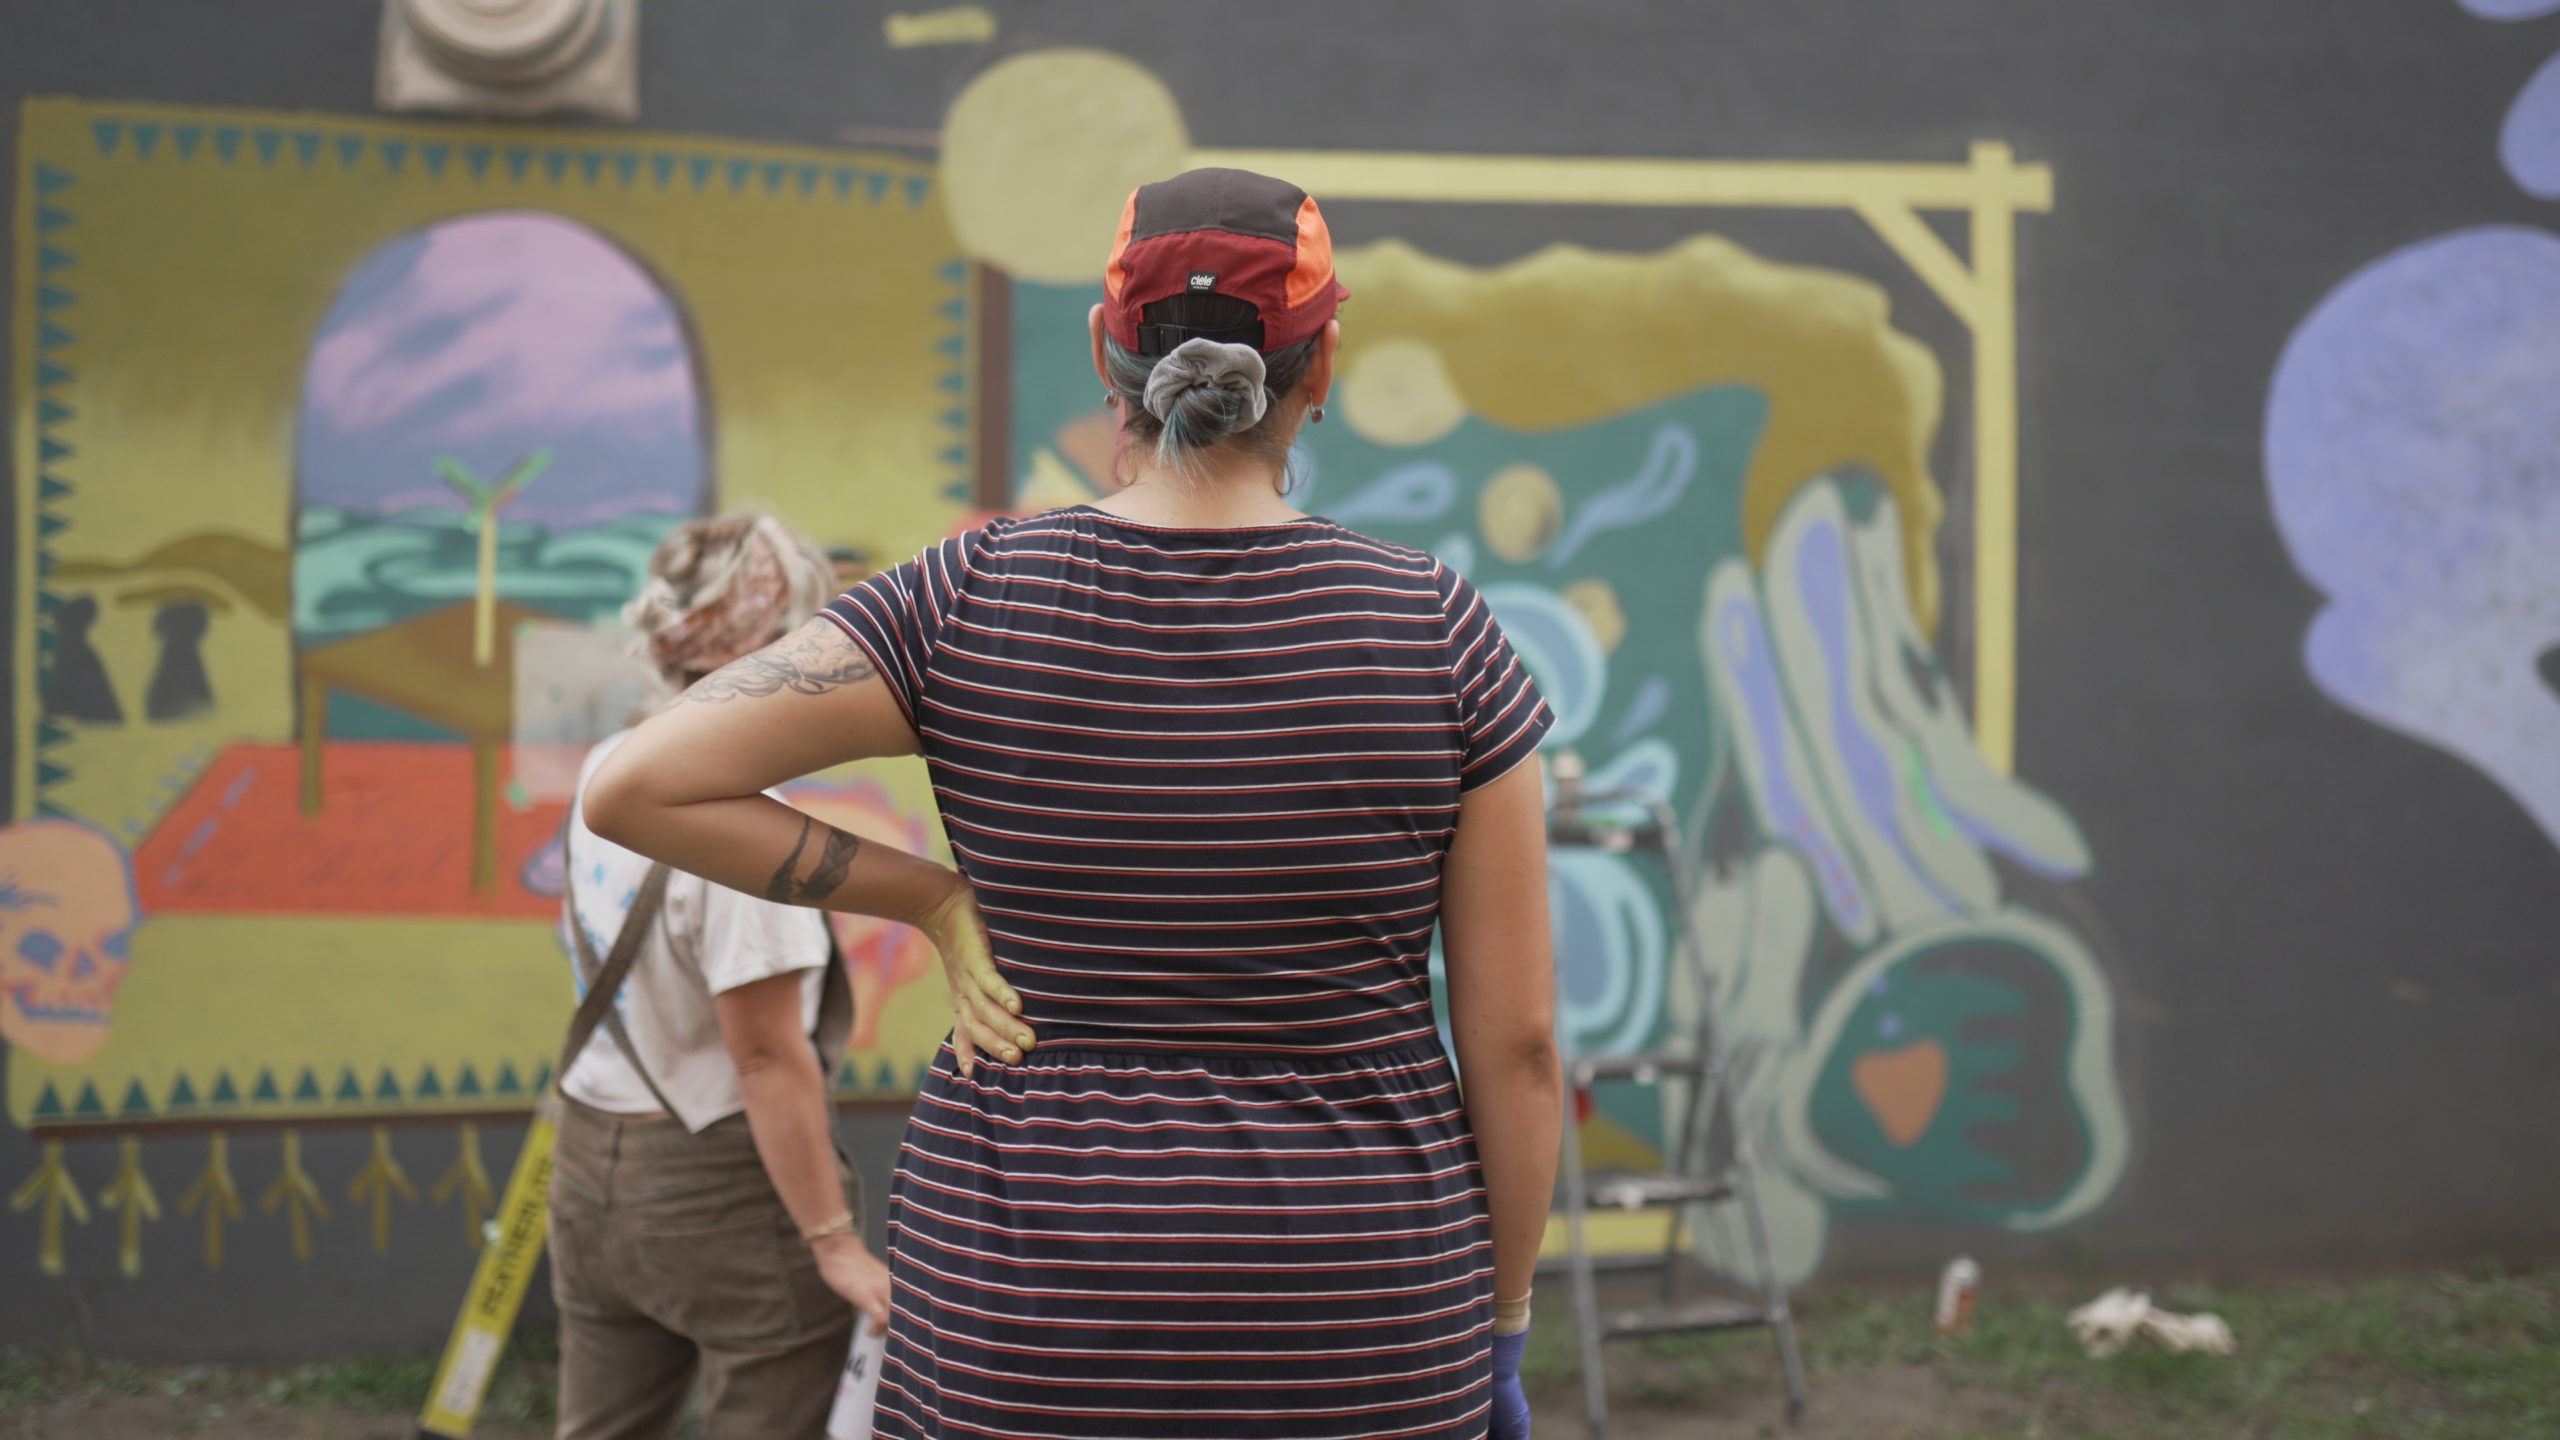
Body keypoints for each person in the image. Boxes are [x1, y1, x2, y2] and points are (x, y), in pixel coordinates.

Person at [585, 168, 1562, 1439]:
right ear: (1319, 371)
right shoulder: (1436, 633)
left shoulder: (969, 597)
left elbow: (637, 783)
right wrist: (1500, 1323)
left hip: (1020, 1325)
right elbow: (1519, 1045)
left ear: (1108, 358)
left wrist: (928, 897)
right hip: (1364, 1323)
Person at [549, 514, 901, 1440]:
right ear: (767, 657)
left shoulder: (608, 773)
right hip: (718, 1188)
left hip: (587, 1166)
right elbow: (764, 1056)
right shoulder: (749, 838)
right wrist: (834, 1246)